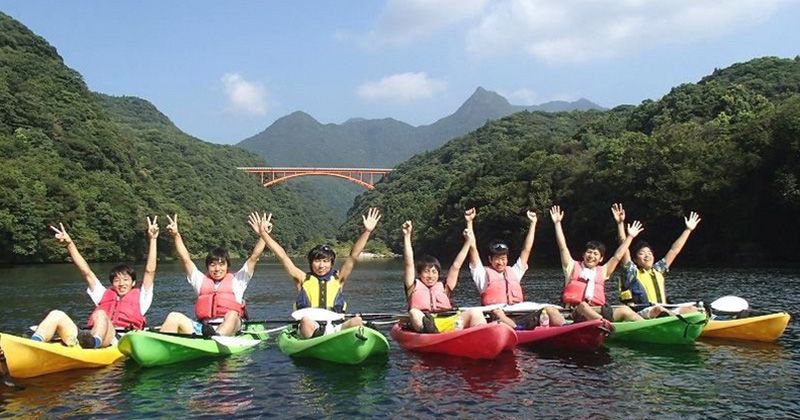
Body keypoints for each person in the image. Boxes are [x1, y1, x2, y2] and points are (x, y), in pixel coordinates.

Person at [30, 217, 159, 348]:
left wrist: (153, 239)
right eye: (116, 280)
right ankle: (34, 344)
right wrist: (69, 244)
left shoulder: (142, 297)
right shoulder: (103, 294)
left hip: (118, 339)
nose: (121, 284)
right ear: (112, 283)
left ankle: (93, 344)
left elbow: (150, 271)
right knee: (56, 314)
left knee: (100, 314)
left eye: (126, 280)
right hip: (89, 335)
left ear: (133, 283)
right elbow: (86, 272)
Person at [258, 208, 382, 339]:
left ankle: (337, 339)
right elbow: (283, 256)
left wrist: (367, 231)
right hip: (311, 327)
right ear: (311, 263)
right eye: (317, 261)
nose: (321, 265)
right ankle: (317, 341)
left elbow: (353, 256)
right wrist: (264, 234)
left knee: (357, 320)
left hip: (335, 326)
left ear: (331, 263)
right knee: (305, 321)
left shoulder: (339, 278)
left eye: (325, 261)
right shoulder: (302, 278)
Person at [159, 212, 265, 337]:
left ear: (227, 266)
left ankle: (217, 336)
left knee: (232, 314)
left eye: (221, 264)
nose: (217, 269)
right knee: (174, 316)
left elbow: (254, 257)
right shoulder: (200, 281)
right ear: (208, 267)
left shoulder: (238, 280)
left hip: (231, 326)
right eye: (213, 265)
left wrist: (263, 235)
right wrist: (176, 235)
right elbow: (185, 259)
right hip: (205, 328)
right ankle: (161, 344)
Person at [464, 208, 565, 329]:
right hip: (497, 317)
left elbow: (526, 249)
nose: (500, 262)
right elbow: (473, 249)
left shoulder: (514, 272)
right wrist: (469, 222)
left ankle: (565, 330)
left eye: (503, 258)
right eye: (497, 258)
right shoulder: (482, 275)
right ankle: (516, 329)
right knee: (499, 314)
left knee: (551, 310)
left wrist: (533, 223)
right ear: (490, 259)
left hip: (521, 315)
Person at [550, 205, 644, 322]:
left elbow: (617, 256)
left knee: (625, 310)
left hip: (598, 310)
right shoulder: (572, 266)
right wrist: (557, 223)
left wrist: (629, 236)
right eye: (589, 252)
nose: (591, 256)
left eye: (596, 254)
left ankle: (650, 327)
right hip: (575, 313)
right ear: (583, 255)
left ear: (601, 259)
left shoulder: (603, 271)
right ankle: (604, 325)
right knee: (583, 306)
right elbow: (562, 247)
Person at [612, 203, 701, 318]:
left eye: (649, 253)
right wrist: (620, 224)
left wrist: (688, 230)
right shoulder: (631, 272)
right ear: (635, 259)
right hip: (641, 313)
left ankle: (684, 321)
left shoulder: (658, 270)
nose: (647, 256)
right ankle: (674, 321)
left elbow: (674, 250)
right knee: (658, 309)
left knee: (692, 309)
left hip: (663, 310)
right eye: (642, 254)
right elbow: (623, 249)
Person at [403, 220, 487, 333]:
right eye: (426, 271)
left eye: (434, 272)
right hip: (424, 324)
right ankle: (430, 330)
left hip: (448, 322)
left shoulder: (445, 287)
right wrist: (407, 236)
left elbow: (456, 265)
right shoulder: (412, 287)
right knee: (414, 312)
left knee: (475, 312)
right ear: (419, 274)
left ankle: (482, 335)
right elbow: (409, 263)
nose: (430, 276)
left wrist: (468, 242)